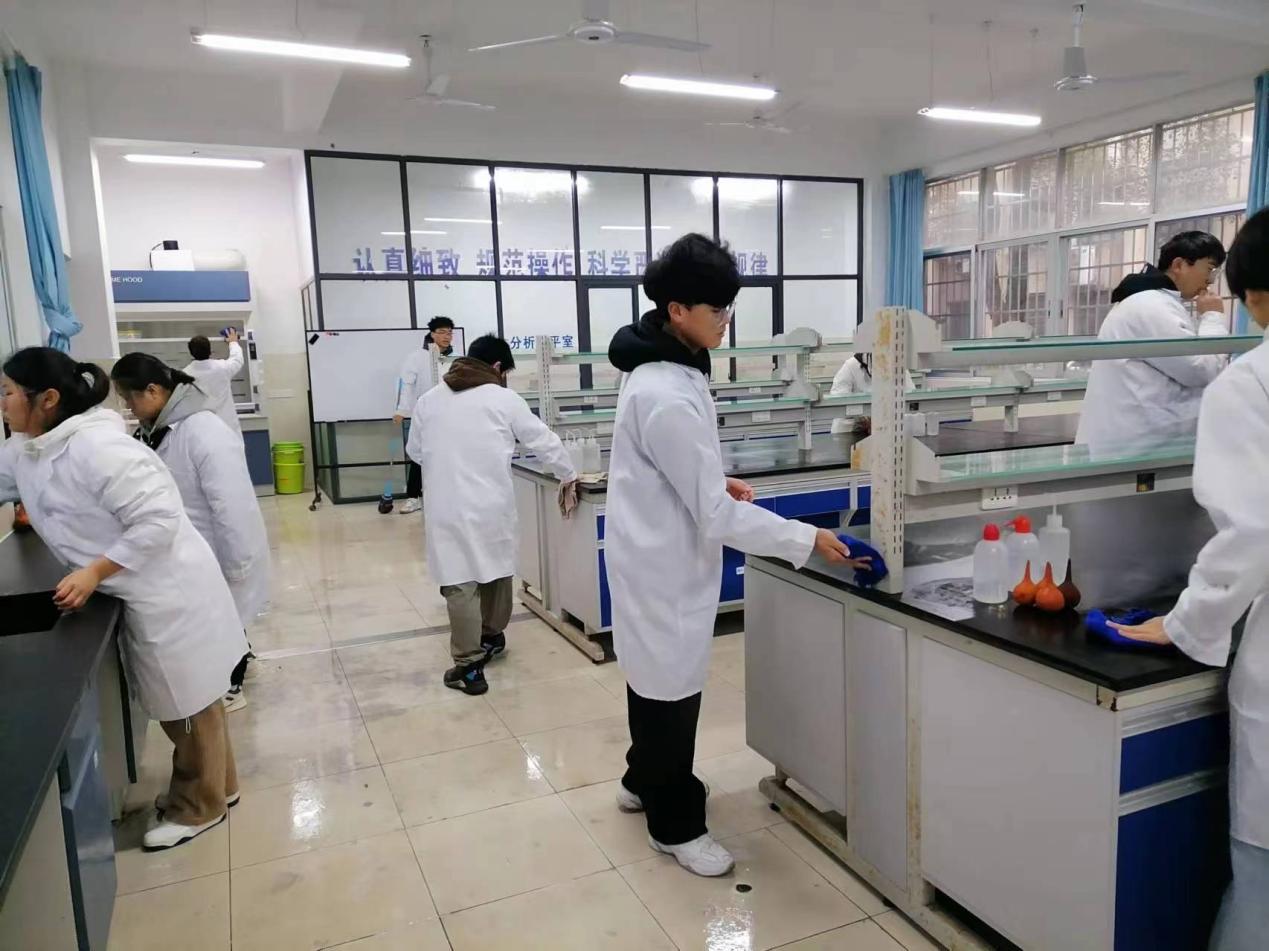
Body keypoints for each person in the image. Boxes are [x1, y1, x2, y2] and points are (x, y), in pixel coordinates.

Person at [605, 234, 864, 877]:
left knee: (653, 680)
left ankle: (640, 780)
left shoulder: (670, 368)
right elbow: (716, 517)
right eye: (716, 310)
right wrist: (806, 538)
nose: (725, 321)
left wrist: (711, 479)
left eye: (728, 308)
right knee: (670, 691)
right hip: (663, 566)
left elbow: (672, 469)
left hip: (655, 552)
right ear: (676, 310)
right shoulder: (664, 390)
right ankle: (675, 825)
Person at [0, 348, 247, 850]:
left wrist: (94, 571)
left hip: (166, 586)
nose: (2, 404)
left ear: (47, 399)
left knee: (186, 700)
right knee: (191, 700)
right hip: (139, 584)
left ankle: (199, 807)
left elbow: (158, 519)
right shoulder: (30, 448)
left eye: (7, 393)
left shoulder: (99, 447)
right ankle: (220, 787)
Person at [1110, 208, 1269, 951]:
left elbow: (1251, 534)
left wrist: (1185, 624)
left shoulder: (1253, 381)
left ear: (1253, 293)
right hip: (1134, 458)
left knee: (1261, 886)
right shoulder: (1151, 309)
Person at [407, 334, 576, 696]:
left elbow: (415, 451)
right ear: (497, 368)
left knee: (459, 581)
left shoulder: (428, 400)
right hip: (491, 504)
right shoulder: (504, 399)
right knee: (496, 569)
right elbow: (543, 440)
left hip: (447, 506)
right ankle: (491, 637)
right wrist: (569, 474)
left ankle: (469, 667)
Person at [111, 352, 270, 713]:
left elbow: (232, 505)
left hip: (218, 547)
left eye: (129, 398)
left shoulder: (203, 430)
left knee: (224, 619)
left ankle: (232, 687)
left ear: (153, 390)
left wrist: (239, 563)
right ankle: (239, 661)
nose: (128, 407)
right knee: (218, 621)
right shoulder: (158, 429)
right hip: (191, 550)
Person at [1075, 231, 1229, 450]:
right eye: (1210, 269)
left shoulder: (1151, 301)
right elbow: (1201, 370)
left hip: (1136, 440)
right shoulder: (1151, 306)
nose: (1210, 280)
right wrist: (1213, 317)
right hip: (1137, 446)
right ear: (1179, 265)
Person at [393, 317, 455, 514]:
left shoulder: (456, 359)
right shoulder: (417, 357)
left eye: (449, 332)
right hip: (425, 414)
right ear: (432, 334)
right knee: (418, 454)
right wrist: (402, 410)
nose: (446, 336)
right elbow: (406, 384)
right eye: (442, 332)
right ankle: (413, 497)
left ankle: (446, 496)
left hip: (452, 415)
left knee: (450, 454)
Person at [828, 352, 915, 435]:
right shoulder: (850, 367)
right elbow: (838, 402)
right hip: (849, 431)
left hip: (885, 430)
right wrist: (862, 418)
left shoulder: (899, 368)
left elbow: (912, 401)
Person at [184, 329, 245, 441]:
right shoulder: (222, 368)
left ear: (191, 353)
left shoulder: (185, 375)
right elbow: (237, 360)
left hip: (202, 434)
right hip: (227, 431)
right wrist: (233, 342)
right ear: (210, 351)